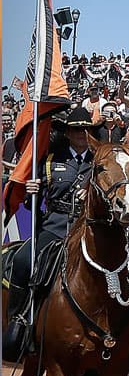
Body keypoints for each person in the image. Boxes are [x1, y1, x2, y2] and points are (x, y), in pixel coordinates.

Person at [4, 108, 96, 336]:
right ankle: (18, 318)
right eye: (75, 130)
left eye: (85, 129)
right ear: (67, 132)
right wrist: (31, 192)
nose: (80, 134)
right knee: (23, 260)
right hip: (55, 226)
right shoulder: (51, 159)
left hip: (88, 229)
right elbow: (31, 201)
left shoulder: (99, 161)